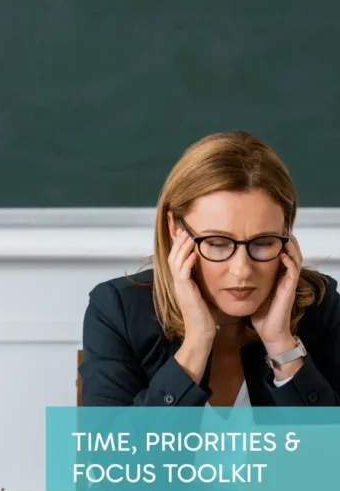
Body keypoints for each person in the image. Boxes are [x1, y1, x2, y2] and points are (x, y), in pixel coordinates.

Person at [80, 130, 340, 407]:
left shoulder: (320, 305)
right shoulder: (117, 310)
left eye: (263, 242)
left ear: (286, 231)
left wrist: (282, 345)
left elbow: (325, 449)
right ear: (175, 229)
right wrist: (196, 344)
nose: (241, 270)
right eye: (217, 243)